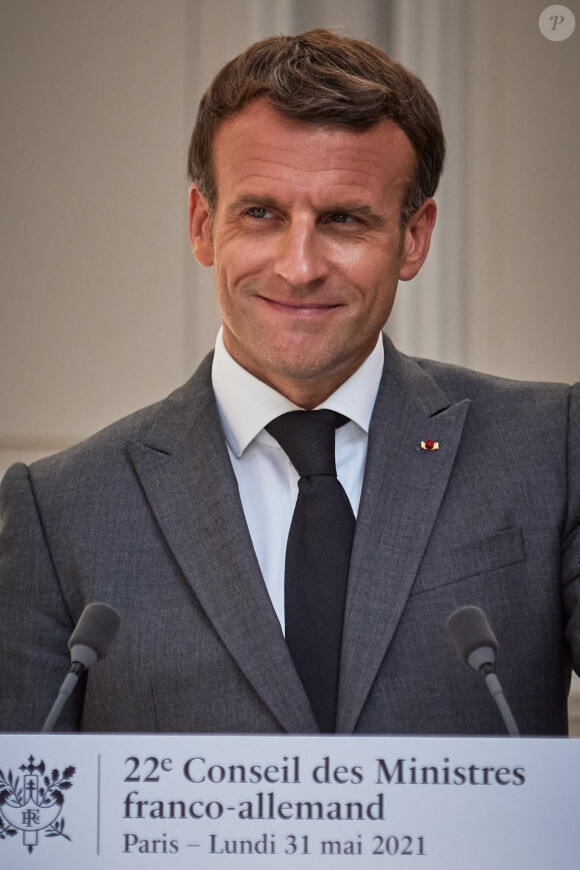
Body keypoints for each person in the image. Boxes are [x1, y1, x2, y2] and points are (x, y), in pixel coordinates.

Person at [0, 29, 578, 736]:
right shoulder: (60, 512)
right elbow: (24, 818)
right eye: (262, 214)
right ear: (203, 225)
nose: (300, 266)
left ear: (414, 237)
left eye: (343, 219)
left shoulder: (553, 451)